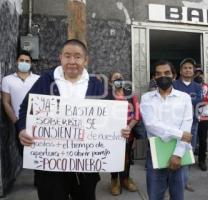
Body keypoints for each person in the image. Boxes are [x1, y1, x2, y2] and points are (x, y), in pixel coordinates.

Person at [17, 39, 131, 200]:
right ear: (60, 57)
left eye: (77, 57)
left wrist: (122, 129)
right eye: (67, 56)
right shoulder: (46, 80)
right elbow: (24, 109)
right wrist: (22, 129)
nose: (72, 61)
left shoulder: (97, 85)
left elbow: (113, 117)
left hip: (84, 169)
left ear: (86, 60)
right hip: (50, 167)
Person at [141, 60, 193, 200]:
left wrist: (177, 154)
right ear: (154, 78)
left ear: (174, 76)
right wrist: (180, 134)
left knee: (178, 195)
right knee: (155, 195)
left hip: (180, 152)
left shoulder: (184, 98)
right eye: (158, 74)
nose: (162, 76)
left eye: (166, 73)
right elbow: (151, 125)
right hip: (155, 152)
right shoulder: (146, 98)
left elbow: (187, 123)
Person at [1, 50, 39, 154]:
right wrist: (16, 122)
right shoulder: (7, 80)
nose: (24, 63)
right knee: (23, 151)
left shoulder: (38, 79)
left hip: (38, 121)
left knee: (40, 151)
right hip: (20, 122)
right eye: (21, 60)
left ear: (31, 64)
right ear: (16, 62)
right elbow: (6, 102)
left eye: (27, 61)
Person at [173, 58, 202, 191]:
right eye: (185, 68)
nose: (188, 70)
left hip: (193, 125)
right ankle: (172, 183)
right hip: (175, 125)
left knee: (188, 152)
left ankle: (184, 181)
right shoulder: (173, 85)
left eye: (190, 68)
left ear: (194, 71)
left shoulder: (198, 87)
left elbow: (199, 104)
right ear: (180, 71)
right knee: (174, 153)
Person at [108, 72, 139, 195]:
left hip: (128, 133)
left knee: (126, 158)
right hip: (112, 134)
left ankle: (125, 179)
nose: (119, 79)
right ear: (110, 82)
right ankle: (114, 180)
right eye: (115, 78)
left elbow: (137, 114)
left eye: (120, 77)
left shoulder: (131, 94)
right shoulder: (106, 96)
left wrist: (129, 127)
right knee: (114, 158)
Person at [194, 67, 208, 171]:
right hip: (190, 117)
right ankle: (188, 159)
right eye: (196, 73)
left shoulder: (207, 86)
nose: (198, 75)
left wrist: (196, 102)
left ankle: (202, 160)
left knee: (203, 140)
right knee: (188, 139)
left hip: (204, 117)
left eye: (200, 73)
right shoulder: (190, 86)